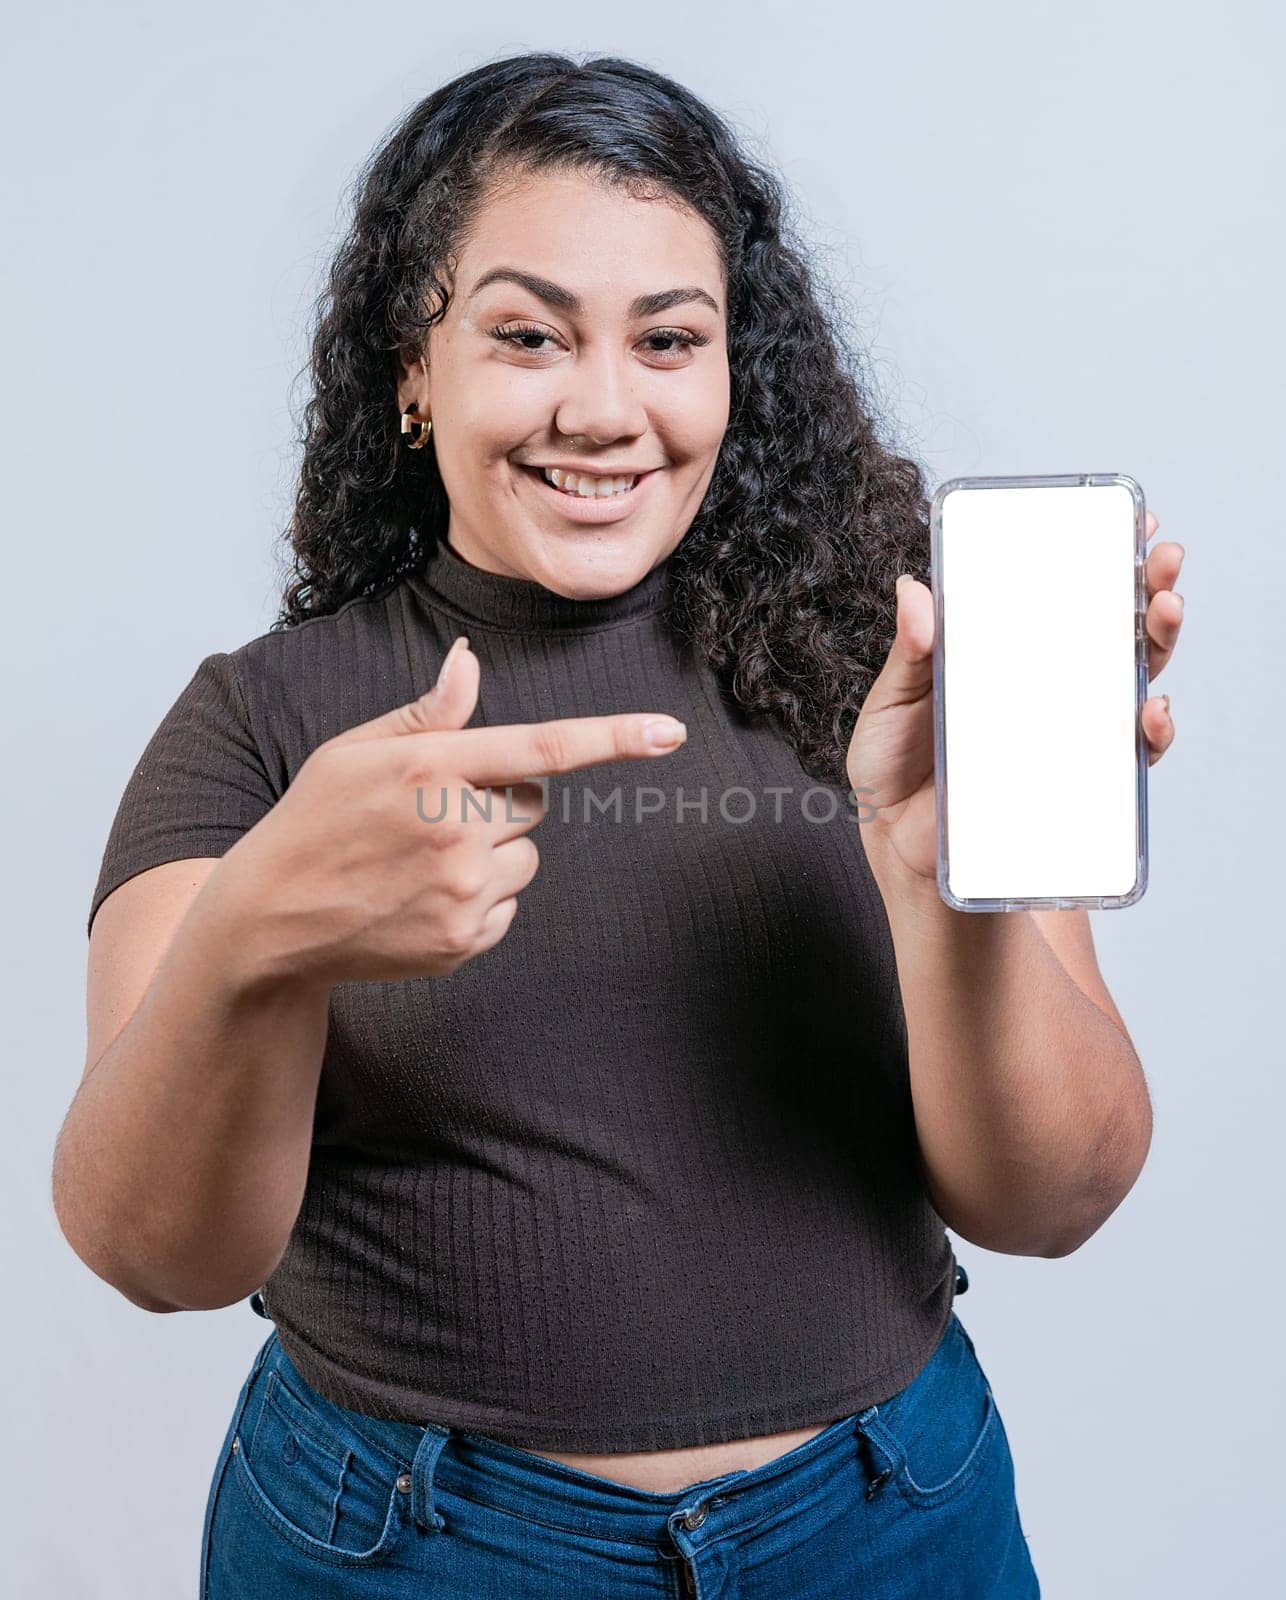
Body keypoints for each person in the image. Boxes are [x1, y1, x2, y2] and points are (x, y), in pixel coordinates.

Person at [54, 51, 1185, 1599]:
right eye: (526, 335)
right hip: (411, 1550)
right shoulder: (265, 726)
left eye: (668, 340)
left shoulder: (903, 680)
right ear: (413, 362)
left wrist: (944, 893)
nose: (602, 407)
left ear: (736, 370)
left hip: (886, 1523)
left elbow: (1053, 1201)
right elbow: (152, 1255)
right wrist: (258, 942)